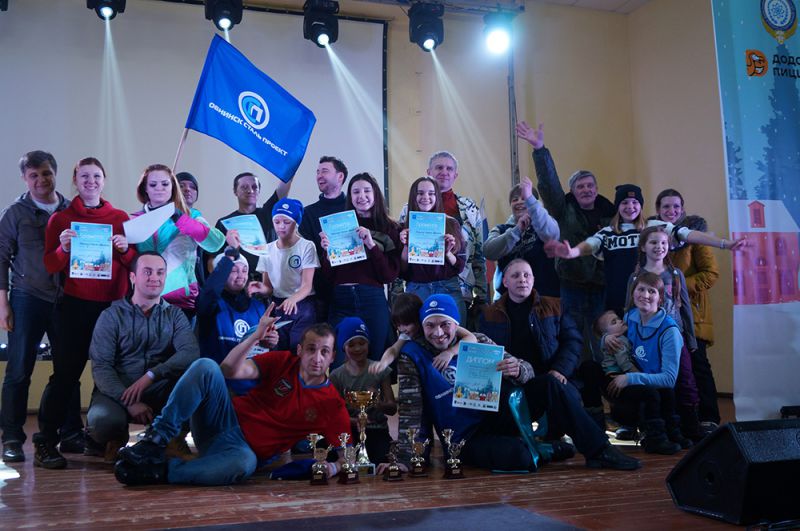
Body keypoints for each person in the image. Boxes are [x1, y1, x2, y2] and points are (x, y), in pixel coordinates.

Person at [393, 292, 640, 473]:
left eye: (444, 324)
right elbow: (411, 410)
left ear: (456, 325)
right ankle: (546, 449)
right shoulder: (413, 356)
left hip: (496, 416)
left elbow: (528, 370)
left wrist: (517, 369)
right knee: (521, 459)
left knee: (550, 383)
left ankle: (600, 450)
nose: (438, 333)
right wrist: (406, 457)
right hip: (465, 437)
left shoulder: (478, 340)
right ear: (422, 327)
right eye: (430, 326)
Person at [113, 314, 351, 486]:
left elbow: (347, 457)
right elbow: (227, 370)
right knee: (206, 366)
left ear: (332, 357)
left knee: (244, 465)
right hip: (219, 421)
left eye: (324, 351)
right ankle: (155, 441)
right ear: (299, 350)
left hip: (239, 451)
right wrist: (254, 337)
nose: (317, 358)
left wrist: (333, 467)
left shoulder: (332, 404)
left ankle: (157, 472)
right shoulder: (282, 361)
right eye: (311, 349)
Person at [32, 157, 135, 469]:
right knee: (65, 375)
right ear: (75, 181)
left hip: (113, 308)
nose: (91, 181)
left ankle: (102, 438)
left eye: (96, 176)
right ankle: (45, 441)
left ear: (104, 180)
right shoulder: (61, 219)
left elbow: (133, 262)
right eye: (84, 176)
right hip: (75, 307)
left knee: (110, 375)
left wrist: (124, 249)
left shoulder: (120, 218)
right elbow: (50, 264)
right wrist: (63, 248)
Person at [546, 184, 746, 316]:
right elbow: (590, 245)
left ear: (641, 206)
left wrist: (724, 243)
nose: (630, 206)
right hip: (617, 303)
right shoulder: (608, 232)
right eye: (625, 202)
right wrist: (571, 253)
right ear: (618, 206)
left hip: (652, 303)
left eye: (635, 202)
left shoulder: (653, 226)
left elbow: (687, 234)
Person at [0, 151, 83, 463]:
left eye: (46, 173)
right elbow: (1, 258)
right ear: (25, 178)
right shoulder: (14, 214)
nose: (41, 180)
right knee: (19, 370)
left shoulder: (73, 210)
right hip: (27, 298)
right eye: (33, 175)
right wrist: (3, 304)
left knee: (68, 369)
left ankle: (71, 433)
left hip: (67, 299)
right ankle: (12, 438)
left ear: (55, 173)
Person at [86, 252, 199, 461]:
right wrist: (128, 401)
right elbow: (101, 367)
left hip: (160, 388)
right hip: (121, 389)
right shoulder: (111, 316)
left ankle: (172, 439)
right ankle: (115, 439)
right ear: (133, 277)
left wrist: (152, 375)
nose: (154, 277)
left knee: (196, 391)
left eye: (160, 272)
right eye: (147, 272)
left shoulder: (175, 315)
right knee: (102, 421)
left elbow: (190, 352)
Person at [516, 121, 616, 358]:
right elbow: (549, 185)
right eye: (580, 186)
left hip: (602, 286)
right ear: (572, 191)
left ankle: (603, 378)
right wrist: (539, 150)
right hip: (572, 285)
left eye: (590, 185)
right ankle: (575, 378)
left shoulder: (611, 213)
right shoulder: (563, 209)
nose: (586, 190)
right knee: (572, 339)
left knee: (604, 340)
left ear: (597, 188)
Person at [655, 189, 721, 429]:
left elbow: (711, 273)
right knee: (671, 368)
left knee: (698, 365)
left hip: (693, 313)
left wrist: (678, 286)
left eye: (676, 206)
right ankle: (680, 420)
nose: (671, 211)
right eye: (666, 206)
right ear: (658, 210)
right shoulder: (654, 236)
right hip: (662, 315)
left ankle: (709, 417)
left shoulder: (695, 236)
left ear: (682, 209)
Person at [320, 172, 401, 363]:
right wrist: (327, 253)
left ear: (375, 194)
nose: (361, 196)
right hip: (341, 299)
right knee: (339, 362)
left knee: (375, 360)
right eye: (356, 192)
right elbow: (328, 276)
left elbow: (389, 275)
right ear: (350, 196)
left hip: (372, 298)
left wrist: (371, 245)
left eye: (366, 191)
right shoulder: (337, 226)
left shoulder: (390, 228)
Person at [605, 272, 687, 455]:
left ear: (660, 299)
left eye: (652, 291)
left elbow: (669, 379)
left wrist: (629, 378)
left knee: (657, 394)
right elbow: (612, 337)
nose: (645, 295)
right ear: (633, 293)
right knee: (591, 370)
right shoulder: (630, 317)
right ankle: (601, 431)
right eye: (641, 289)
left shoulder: (670, 331)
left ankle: (657, 437)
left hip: (659, 393)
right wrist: (607, 338)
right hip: (637, 385)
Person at [133, 164, 225, 315]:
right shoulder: (135, 220)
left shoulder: (191, 215)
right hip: (145, 299)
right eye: (153, 184)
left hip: (180, 300)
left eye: (165, 184)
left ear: (172, 188)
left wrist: (181, 219)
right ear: (145, 189)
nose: (159, 188)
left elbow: (215, 243)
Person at [195, 247, 276, 396]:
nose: (240, 275)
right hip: (221, 387)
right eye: (233, 270)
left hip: (255, 387)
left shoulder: (259, 306)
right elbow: (210, 292)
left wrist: (272, 341)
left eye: (244, 271)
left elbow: (267, 352)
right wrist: (229, 258)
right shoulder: (210, 305)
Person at [424, 152, 487, 324]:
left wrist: (481, 295)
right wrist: (398, 293)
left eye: (449, 169)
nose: (444, 172)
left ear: (455, 175)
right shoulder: (411, 209)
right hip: (422, 287)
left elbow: (479, 254)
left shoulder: (469, 208)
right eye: (439, 167)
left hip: (459, 289)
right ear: (429, 172)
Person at [398, 177, 467, 324]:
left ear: (437, 197)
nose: (426, 197)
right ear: (413, 196)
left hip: (447, 287)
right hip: (417, 290)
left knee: (456, 333)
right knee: (419, 335)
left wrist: (447, 252)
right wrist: (406, 246)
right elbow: (402, 271)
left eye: (431, 193)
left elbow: (460, 266)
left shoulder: (451, 223)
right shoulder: (403, 228)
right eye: (420, 193)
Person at [330, 317, 395, 463]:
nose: (358, 348)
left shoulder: (380, 369)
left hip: (376, 428)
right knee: (333, 455)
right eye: (351, 344)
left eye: (362, 343)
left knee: (381, 459)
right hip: (348, 430)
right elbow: (334, 414)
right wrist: (354, 421)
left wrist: (376, 402)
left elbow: (392, 409)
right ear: (343, 347)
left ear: (368, 343)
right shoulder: (336, 376)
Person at [256, 199, 319, 350]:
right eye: (277, 222)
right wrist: (258, 288)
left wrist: (293, 299)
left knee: (298, 347)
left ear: (296, 223)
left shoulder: (306, 246)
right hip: (278, 305)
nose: (281, 226)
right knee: (277, 348)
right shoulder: (267, 249)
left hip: (302, 304)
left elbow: (307, 285)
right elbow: (268, 287)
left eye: (287, 222)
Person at [485, 176, 560, 299]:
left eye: (524, 198)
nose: (519, 202)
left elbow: (552, 235)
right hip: (506, 301)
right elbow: (489, 252)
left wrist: (532, 203)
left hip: (544, 299)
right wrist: (517, 230)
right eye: (515, 199)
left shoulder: (546, 225)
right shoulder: (500, 229)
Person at [371, 292, 476, 375]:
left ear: (418, 319)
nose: (402, 329)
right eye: (398, 325)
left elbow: (471, 337)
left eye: (407, 324)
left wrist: (450, 352)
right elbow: (394, 349)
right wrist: (383, 362)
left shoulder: (439, 325)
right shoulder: (407, 335)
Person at [211, 172, 293, 278]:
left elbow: (283, 188)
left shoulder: (269, 213)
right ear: (235, 191)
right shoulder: (224, 223)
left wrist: (291, 166)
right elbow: (213, 259)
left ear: (259, 191)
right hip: (239, 282)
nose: (250, 191)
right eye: (244, 187)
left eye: (254, 187)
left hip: (271, 280)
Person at [298, 156, 348, 321]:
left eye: (324, 171)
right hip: (323, 294)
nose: (319, 175)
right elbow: (306, 257)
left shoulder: (354, 208)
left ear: (340, 176)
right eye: (317, 172)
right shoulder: (308, 213)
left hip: (355, 288)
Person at [176, 171, 207, 288]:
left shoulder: (199, 220)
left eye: (192, 187)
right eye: (181, 186)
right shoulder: (162, 218)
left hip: (193, 284)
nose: (187, 189)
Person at [594, 310, 637, 376]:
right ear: (606, 333)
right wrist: (639, 374)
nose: (620, 321)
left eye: (619, 319)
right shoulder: (616, 341)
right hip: (615, 373)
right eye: (614, 322)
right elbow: (624, 363)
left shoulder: (618, 337)